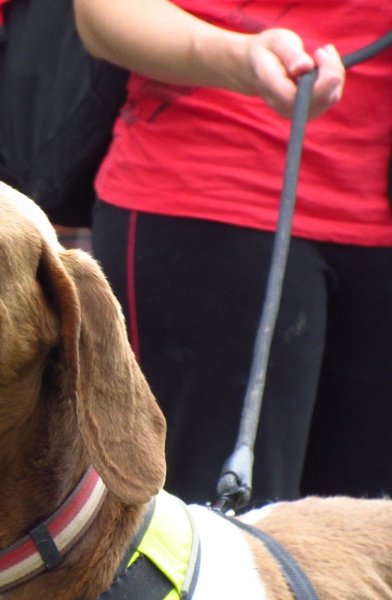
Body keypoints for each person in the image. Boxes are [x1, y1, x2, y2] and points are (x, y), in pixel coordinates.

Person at [73, 0, 392, 504]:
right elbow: (102, 15)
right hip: (213, 196)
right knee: (220, 538)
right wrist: (239, 57)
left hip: (376, 218)